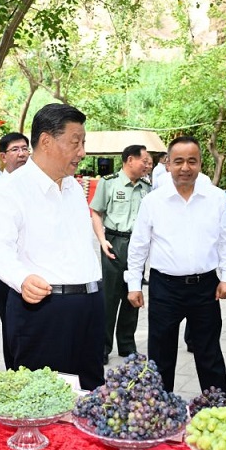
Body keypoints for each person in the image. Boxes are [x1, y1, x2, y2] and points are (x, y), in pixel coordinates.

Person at [0, 103, 104, 389]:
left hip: (88, 308)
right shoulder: (11, 189)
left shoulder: (74, 188)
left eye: (83, 142)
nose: (82, 152)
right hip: (44, 311)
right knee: (41, 404)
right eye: (75, 142)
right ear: (47, 142)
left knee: (89, 398)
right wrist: (22, 279)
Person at [126, 136, 226, 394]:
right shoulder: (153, 201)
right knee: (160, 355)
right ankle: (159, 412)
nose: (185, 168)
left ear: (201, 163)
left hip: (206, 287)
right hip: (164, 288)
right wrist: (134, 284)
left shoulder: (216, 198)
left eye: (192, 161)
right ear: (168, 164)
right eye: (178, 161)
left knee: (209, 354)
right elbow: (139, 246)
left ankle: (216, 411)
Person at [90, 145, 151, 365]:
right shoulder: (109, 182)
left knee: (132, 293)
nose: (147, 164)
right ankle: (103, 346)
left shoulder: (147, 187)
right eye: (144, 160)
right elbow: (96, 212)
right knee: (109, 296)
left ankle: (127, 344)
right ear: (130, 160)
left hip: (137, 244)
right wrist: (102, 240)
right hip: (114, 242)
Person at [0, 132, 30, 368]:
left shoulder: (37, 183)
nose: (22, 154)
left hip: (35, 266)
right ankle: (12, 371)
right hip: (6, 268)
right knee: (10, 323)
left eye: (24, 149)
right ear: (2, 156)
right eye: (15, 150)